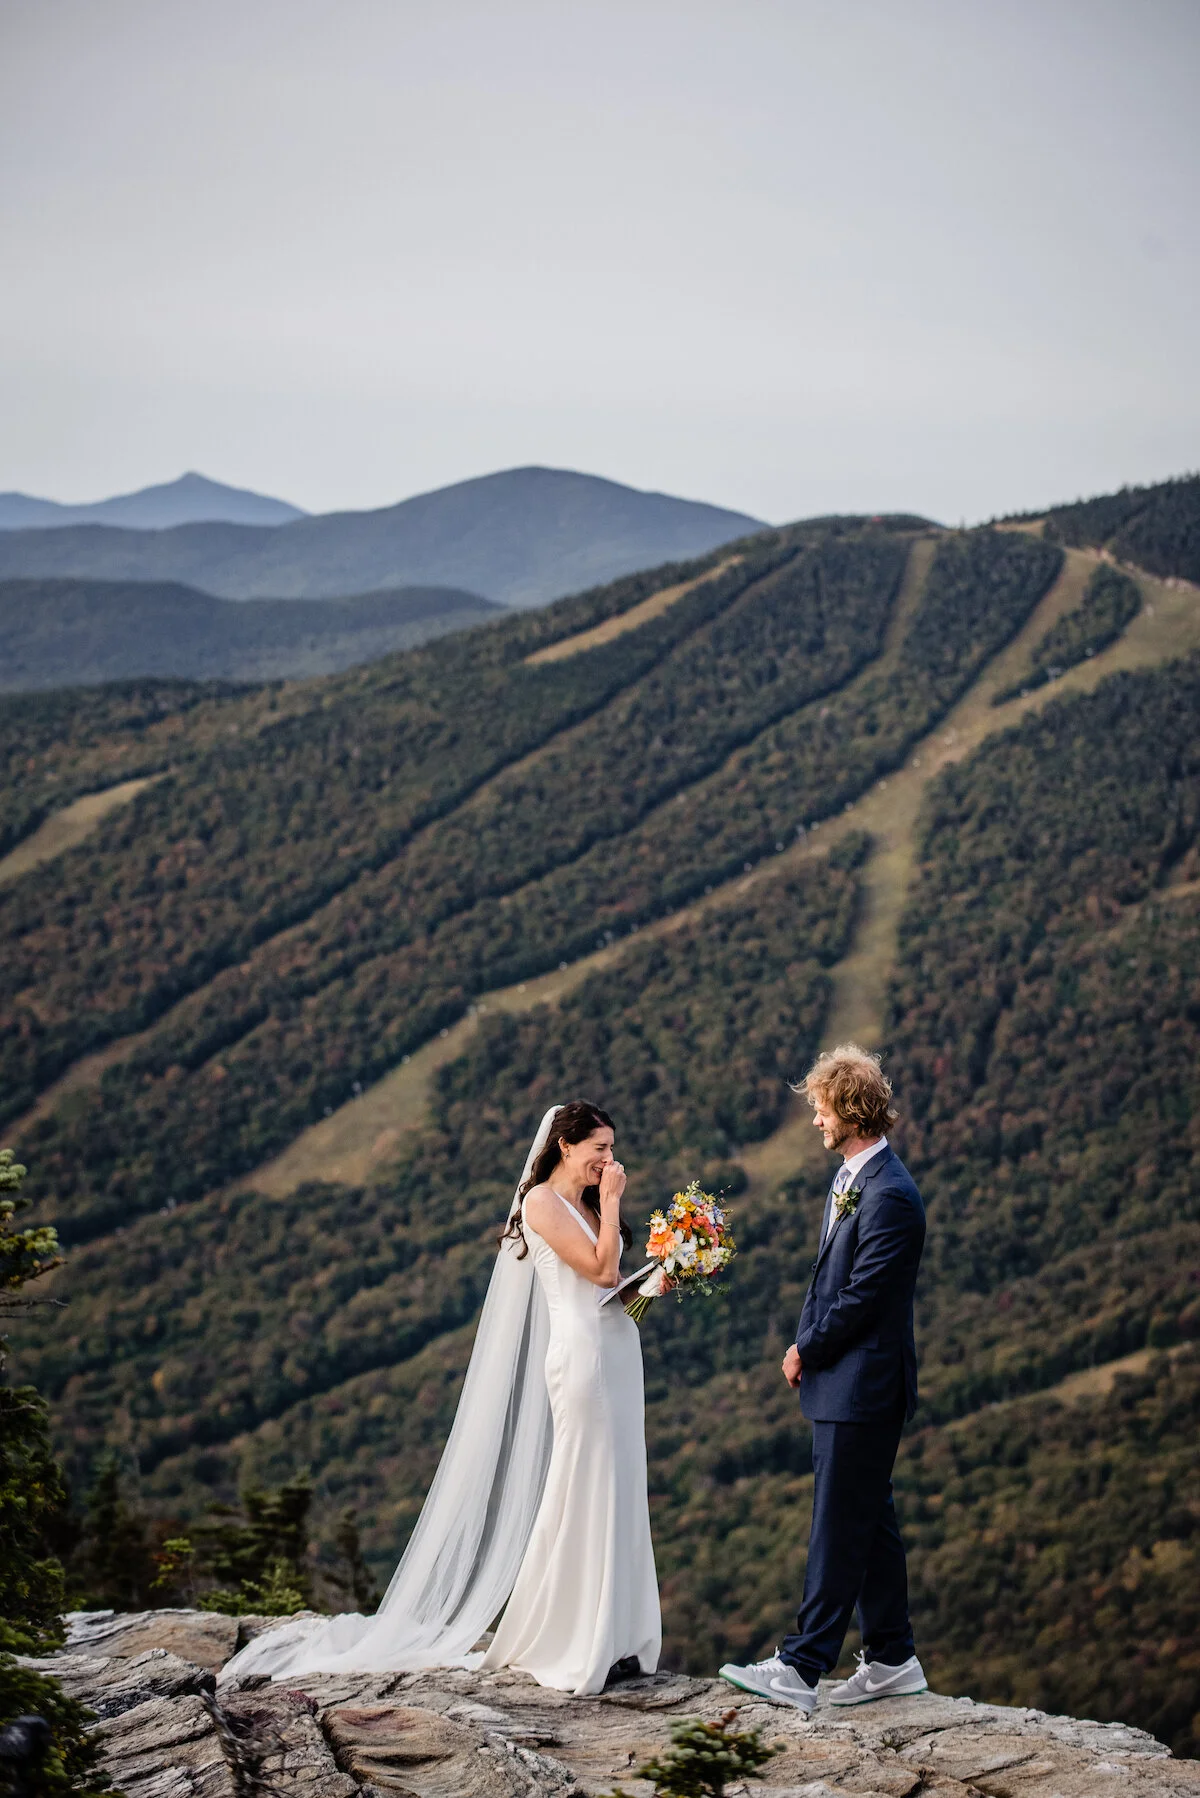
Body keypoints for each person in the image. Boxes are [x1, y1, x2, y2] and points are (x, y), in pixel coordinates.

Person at [219, 1100, 660, 1697]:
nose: (609, 1160)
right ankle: (579, 1639)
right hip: (584, 1363)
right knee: (585, 1488)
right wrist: (612, 1201)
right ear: (565, 1146)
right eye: (599, 1149)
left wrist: (660, 1273)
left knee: (621, 1486)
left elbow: (613, 1285)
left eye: (610, 1149)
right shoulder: (541, 1204)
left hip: (614, 1352)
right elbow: (602, 1274)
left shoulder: (580, 1204)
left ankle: (620, 1639)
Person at [720, 1044, 927, 1714]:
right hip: (849, 1382)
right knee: (870, 1520)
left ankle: (802, 1666)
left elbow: (863, 1297)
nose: (814, 1120)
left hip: (863, 1385)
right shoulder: (853, 1179)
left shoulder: (890, 1195)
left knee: (838, 1524)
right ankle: (892, 1657)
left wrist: (802, 1347)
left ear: (852, 1110)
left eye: (820, 1108)